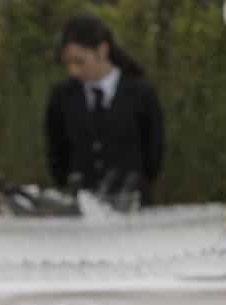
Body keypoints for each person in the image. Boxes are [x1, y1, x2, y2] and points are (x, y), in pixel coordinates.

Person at [44, 14, 166, 202]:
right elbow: (57, 153)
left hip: (132, 206)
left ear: (102, 51)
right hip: (81, 206)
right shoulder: (62, 97)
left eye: (80, 62)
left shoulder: (140, 94)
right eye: (68, 63)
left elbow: (153, 153)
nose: (73, 71)